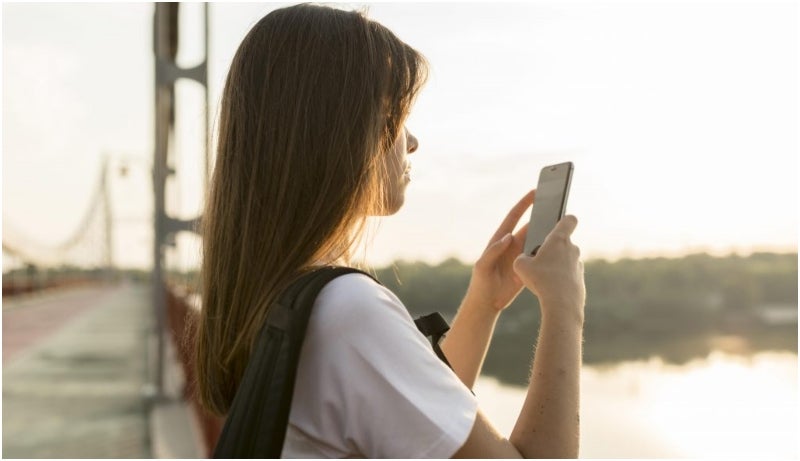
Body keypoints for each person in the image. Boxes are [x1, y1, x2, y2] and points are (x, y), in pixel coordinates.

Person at [194, 3, 585, 458]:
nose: (411, 141)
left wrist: (484, 302)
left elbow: (417, 419)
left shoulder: (280, 291)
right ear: (337, 133)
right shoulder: (347, 310)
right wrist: (565, 306)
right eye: (392, 116)